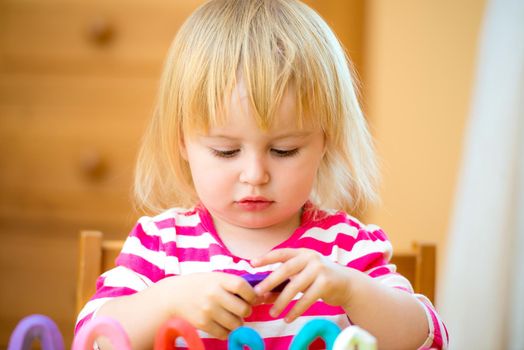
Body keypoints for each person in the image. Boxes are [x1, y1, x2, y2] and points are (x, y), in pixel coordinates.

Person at [75, 0, 448, 349]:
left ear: (325, 142)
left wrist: (352, 290)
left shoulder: (346, 248)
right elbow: (91, 338)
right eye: (226, 151)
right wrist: (168, 301)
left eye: (284, 150)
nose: (255, 175)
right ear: (182, 143)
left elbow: (430, 338)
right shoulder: (161, 246)